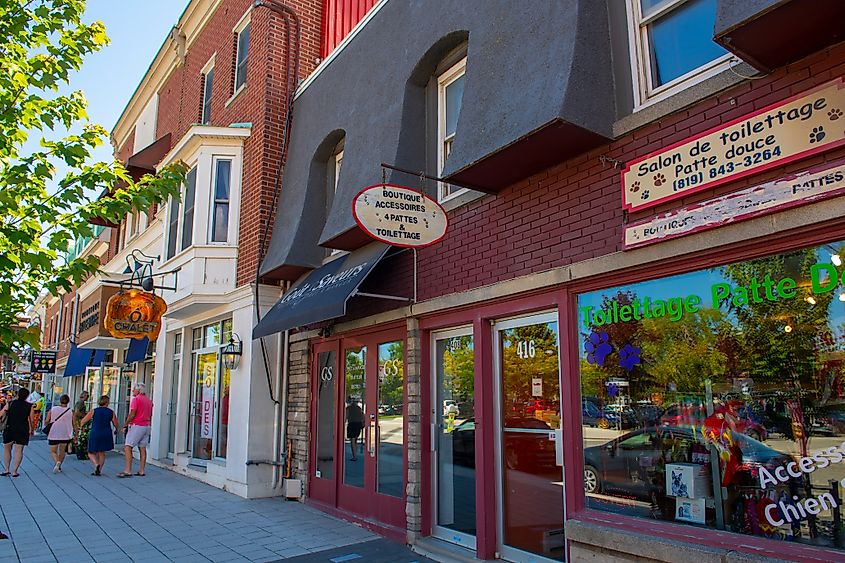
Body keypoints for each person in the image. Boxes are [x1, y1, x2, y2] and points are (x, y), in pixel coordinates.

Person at [118, 382, 152, 478]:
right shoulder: (148, 400)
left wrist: (125, 424)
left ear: (138, 390)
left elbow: (132, 414)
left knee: (128, 446)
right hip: (147, 425)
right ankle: (141, 470)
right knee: (142, 448)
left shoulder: (136, 400)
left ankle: (128, 470)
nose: (132, 390)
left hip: (137, 425)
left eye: (134, 389)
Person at [80, 395, 118, 476]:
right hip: (106, 433)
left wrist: (82, 428)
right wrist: (117, 430)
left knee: (90, 452)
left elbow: (83, 421)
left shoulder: (94, 411)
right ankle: (99, 470)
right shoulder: (111, 412)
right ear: (107, 403)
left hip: (95, 432)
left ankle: (96, 464)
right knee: (102, 452)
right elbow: (116, 423)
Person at [1, 388, 33, 477]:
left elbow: (1, 414)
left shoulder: (10, 404)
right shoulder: (29, 406)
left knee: (7, 449)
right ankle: (14, 471)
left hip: (9, 428)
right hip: (22, 429)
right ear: (27, 396)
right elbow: (31, 420)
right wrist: (31, 430)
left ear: (17, 394)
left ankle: (6, 469)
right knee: (19, 450)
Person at [44, 394, 75, 474]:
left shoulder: (53, 409)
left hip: (53, 433)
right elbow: (74, 424)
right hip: (65, 434)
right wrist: (76, 434)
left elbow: (47, 421)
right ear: (68, 402)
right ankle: (59, 465)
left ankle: (57, 462)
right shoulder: (70, 411)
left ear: (60, 401)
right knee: (62, 451)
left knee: (53, 451)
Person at [73, 391, 90, 460]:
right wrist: (85, 416)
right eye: (87, 396)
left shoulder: (79, 402)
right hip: (79, 420)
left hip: (78, 420)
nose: (88, 398)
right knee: (80, 435)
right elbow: (77, 412)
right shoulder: (81, 403)